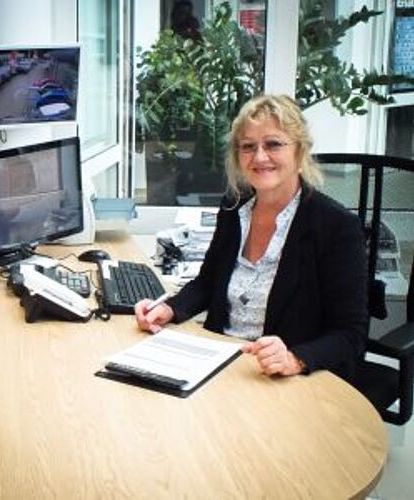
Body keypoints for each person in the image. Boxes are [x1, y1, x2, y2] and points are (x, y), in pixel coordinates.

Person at [135, 94, 368, 381]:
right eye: (248, 146)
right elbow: (208, 282)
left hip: (286, 378)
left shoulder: (336, 226)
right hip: (222, 362)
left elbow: (351, 334)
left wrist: (295, 358)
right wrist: (169, 308)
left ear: (300, 151)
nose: (259, 157)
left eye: (273, 144)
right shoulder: (234, 207)